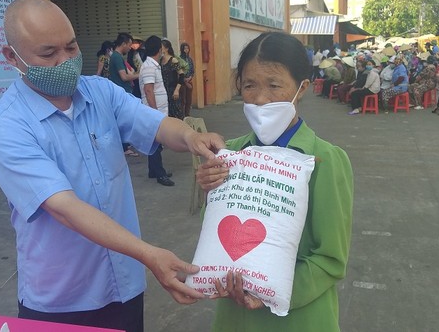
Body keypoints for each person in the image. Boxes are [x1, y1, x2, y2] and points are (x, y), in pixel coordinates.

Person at [0, 0, 225, 331]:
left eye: (71, 47)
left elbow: (154, 124)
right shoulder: (6, 127)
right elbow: (65, 208)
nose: (65, 61)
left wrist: (189, 137)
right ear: (13, 57)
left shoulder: (100, 93)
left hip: (123, 285)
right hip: (63, 300)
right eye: (48, 54)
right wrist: (148, 253)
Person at [195, 31, 353, 332]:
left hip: (299, 318)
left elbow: (330, 259)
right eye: (249, 85)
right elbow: (216, 231)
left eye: (274, 85)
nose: (260, 98)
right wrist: (209, 190)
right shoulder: (233, 152)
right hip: (235, 318)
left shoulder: (326, 160)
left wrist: (272, 291)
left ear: (302, 88)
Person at [139, 35, 175, 187]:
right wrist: (154, 113)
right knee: (156, 142)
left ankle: (153, 170)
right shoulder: (148, 66)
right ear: (159, 50)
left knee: (154, 141)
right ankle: (160, 174)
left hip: (157, 110)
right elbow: (148, 91)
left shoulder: (153, 65)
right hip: (153, 112)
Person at [160, 39, 184, 119]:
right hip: (163, 90)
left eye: (161, 47)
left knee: (176, 113)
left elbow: (181, 75)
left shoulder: (173, 60)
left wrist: (177, 90)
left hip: (172, 90)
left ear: (166, 49)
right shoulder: (160, 61)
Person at [179, 42, 195, 117]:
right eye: (185, 48)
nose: (186, 50)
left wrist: (190, 77)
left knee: (189, 100)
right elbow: (179, 70)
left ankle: (187, 114)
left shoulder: (190, 59)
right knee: (183, 100)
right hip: (182, 82)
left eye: (187, 48)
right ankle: (182, 115)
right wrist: (184, 79)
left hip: (189, 80)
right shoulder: (179, 59)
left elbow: (192, 70)